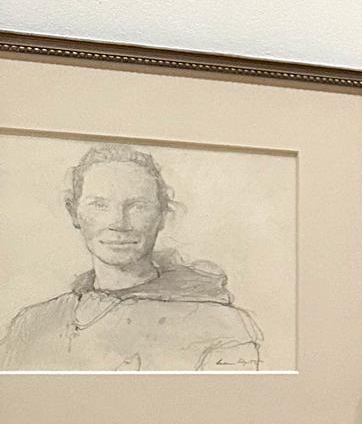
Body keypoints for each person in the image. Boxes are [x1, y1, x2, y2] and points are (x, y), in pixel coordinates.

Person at [0, 144, 263, 372]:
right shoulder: (31, 324)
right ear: (73, 212)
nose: (118, 223)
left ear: (162, 216)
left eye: (137, 206)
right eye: (99, 205)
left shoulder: (222, 327)